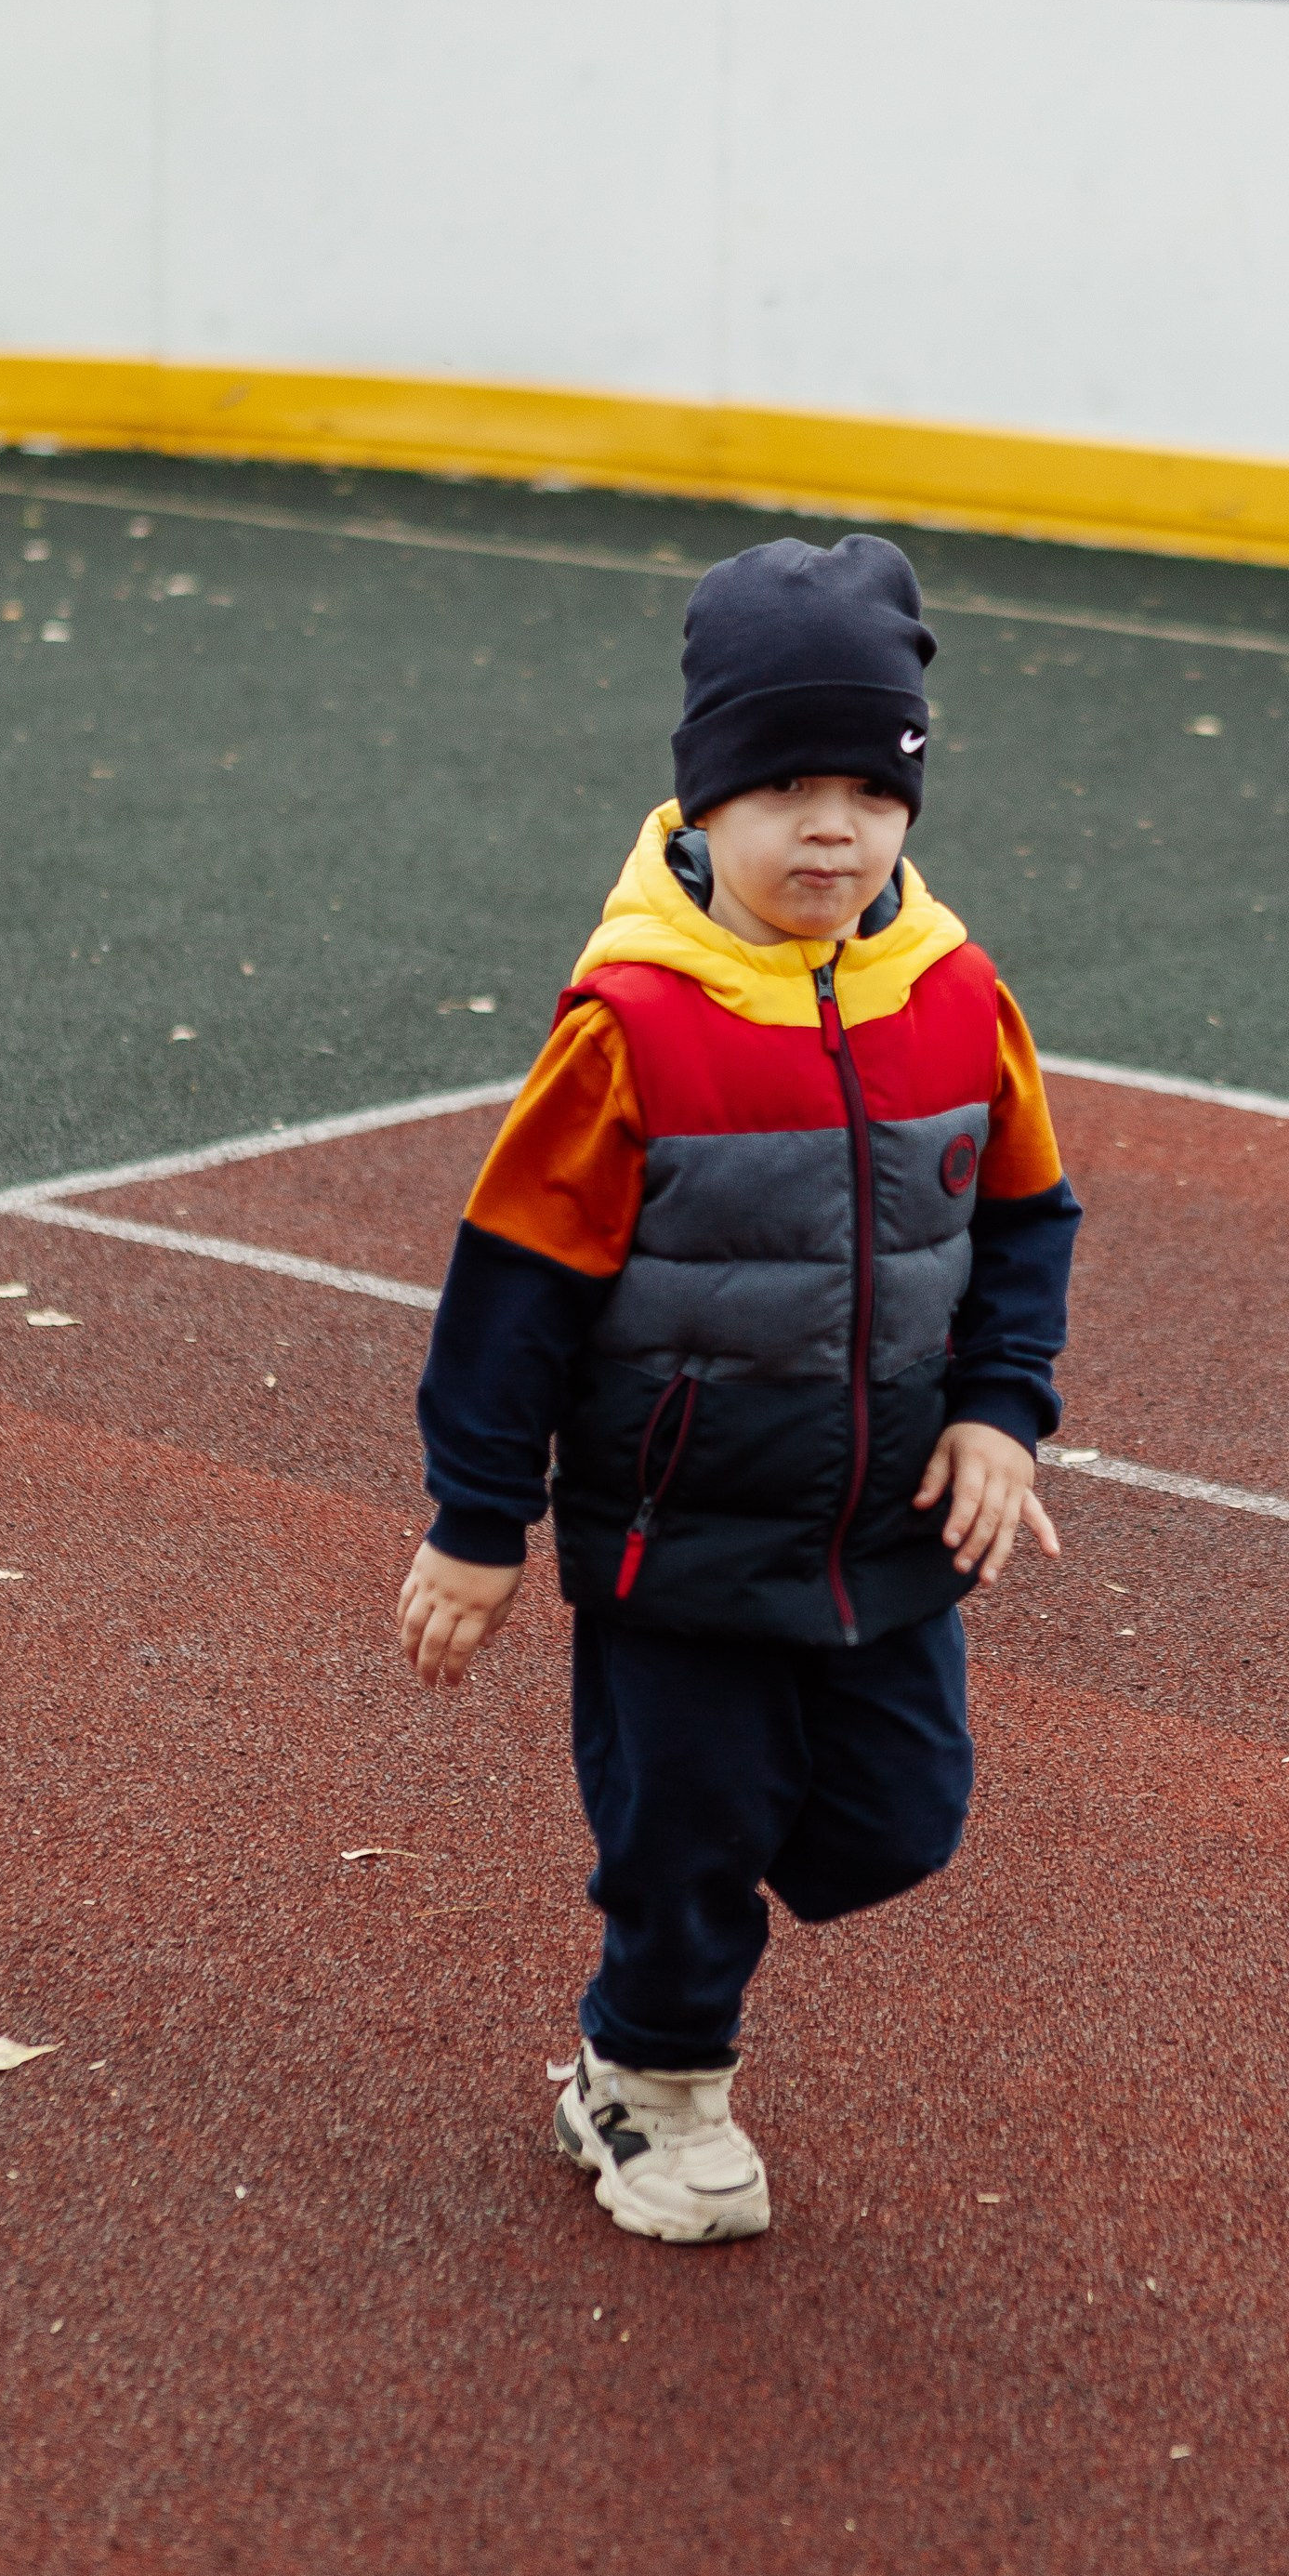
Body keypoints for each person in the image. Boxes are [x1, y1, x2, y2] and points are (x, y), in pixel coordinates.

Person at [397, 532, 1080, 2244]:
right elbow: (514, 1288)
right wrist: (480, 1523)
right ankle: (647, 2078)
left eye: (871, 787)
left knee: (899, 1823)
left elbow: (1023, 1219)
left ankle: (678, 1949)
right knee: (689, 1836)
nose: (831, 829)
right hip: (674, 1545)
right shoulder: (631, 1025)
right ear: (702, 798)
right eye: (783, 784)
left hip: (882, 1527)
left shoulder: (960, 999)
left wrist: (999, 1408)